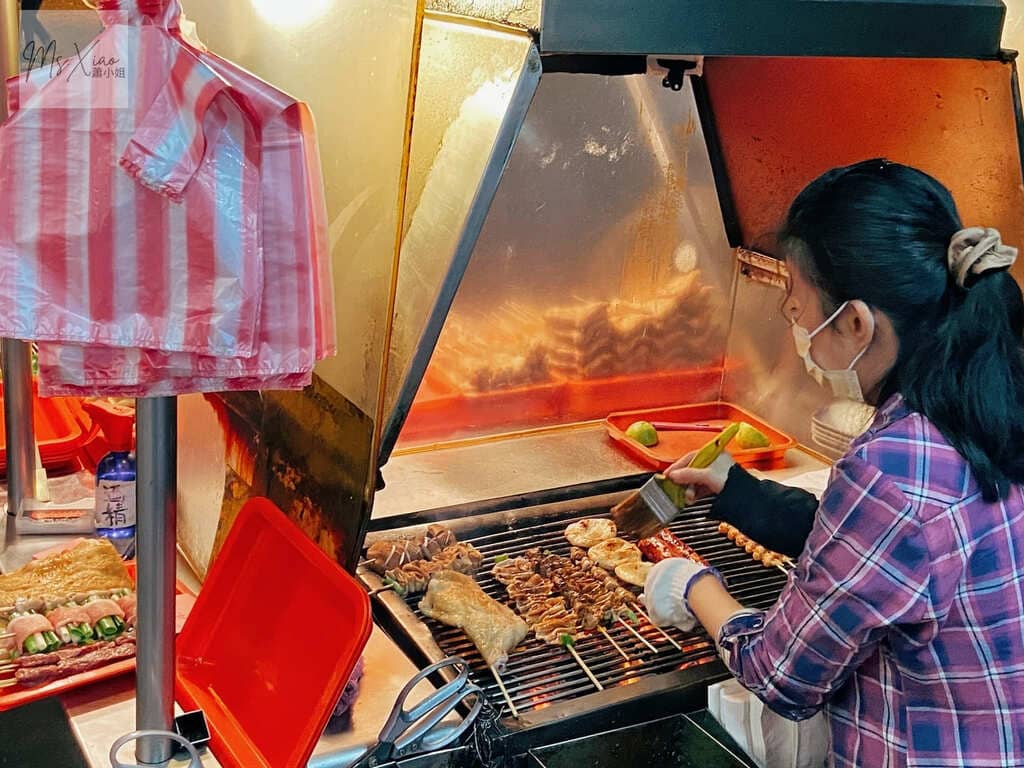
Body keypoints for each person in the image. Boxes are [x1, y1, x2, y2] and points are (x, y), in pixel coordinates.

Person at [642, 159, 1024, 767]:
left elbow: (781, 674)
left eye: (795, 308)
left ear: (854, 322)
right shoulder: (988, 399)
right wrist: (736, 489)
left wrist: (694, 587)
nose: (798, 329)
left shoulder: (894, 466)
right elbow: (901, 558)